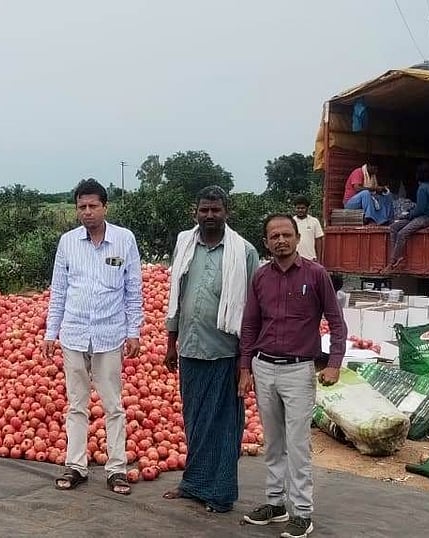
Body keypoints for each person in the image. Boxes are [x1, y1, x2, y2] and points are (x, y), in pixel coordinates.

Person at [238, 214, 347, 538]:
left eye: (287, 234)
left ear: (298, 238)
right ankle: (275, 503)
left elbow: (336, 321)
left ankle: (301, 512)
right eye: (274, 236)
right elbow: (250, 324)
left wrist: (334, 363)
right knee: (273, 442)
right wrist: (245, 367)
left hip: (299, 370)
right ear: (266, 242)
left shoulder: (316, 275)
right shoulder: (260, 277)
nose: (281, 240)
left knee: (298, 444)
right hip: (264, 367)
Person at [43, 178, 144, 496]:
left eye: (93, 206)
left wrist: (134, 331)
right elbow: (59, 290)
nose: (87, 212)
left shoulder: (124, 240)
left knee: (113, 405)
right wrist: (51, 332)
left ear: (105, 207)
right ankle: (75, 465)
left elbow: (133, 290)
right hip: (74, 334)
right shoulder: (68, 242)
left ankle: (116, 469)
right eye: (81, 207)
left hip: (109, 335)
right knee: (76, 404)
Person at [161, 186, 258, 513]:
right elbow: (176, 294)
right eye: (204, 210)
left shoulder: (243, 252)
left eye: (216, 210)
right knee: (195, 421)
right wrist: (171, 343)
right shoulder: (185, 244)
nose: (209, 215)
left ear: (226, 212)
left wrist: (245, 363)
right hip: (190, 348)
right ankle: (193, 484)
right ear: (196, 212)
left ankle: (220, 493)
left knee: (224, 425)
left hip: (225, 353)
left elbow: (251, 310)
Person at [385, 163, 429, 272]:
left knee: (402, 233)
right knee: (393, 227)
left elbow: (420, 209)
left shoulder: (422, 188)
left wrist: (408, 215)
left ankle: (392, 262)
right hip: (423, 216)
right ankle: (397, 256)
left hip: (426, 218)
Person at [292, 196, 324, 261]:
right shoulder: (291, 222)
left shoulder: (314, 221)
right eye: (298, 208)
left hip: (310, 259)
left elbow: (318, 241)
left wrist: (319, 260)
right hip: (294, 259)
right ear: (295, 208)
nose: (300, 210)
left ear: (307, 208)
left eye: (302, 208)